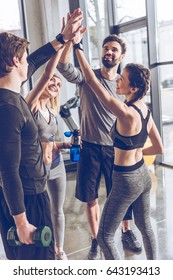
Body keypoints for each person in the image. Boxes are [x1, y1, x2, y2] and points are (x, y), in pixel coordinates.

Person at [0, 8, 83, 260]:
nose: (28, 62)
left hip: (29, 194)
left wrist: (62, 37)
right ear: (15, 62)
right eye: (23, 58)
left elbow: (35, 61)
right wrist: (22, 221)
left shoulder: (10, 93)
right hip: (27, 200)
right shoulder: (8, 108)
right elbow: (8, 170)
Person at [74, 32, 164, 259]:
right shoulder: (145, 110)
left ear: (132, 88)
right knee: (145, 227)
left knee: (104, 236)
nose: (117, 81)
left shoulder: (125, 113)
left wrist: (77, 46)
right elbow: (159, 147)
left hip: (125, 179)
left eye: (122, 79)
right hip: (142, 174)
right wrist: (135, 152)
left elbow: (93, 82)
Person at [57, 32, 142, 259]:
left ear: (121, 55)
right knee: (90, 197)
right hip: (90, 147)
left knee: (122, 194)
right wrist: (69, 41)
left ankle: (126, 230)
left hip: (118, 149)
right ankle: (96, 240)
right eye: (106, 48)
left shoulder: (124, 85)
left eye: (114, 49)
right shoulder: (86, 76)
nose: (109, 52)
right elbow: (63, 66)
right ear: (101, 52)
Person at [25, 49, 72, 260]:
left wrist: (66, 145)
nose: (56, 84)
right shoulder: (31, 105)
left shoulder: (53, 112)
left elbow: (50, 143)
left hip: (57, 166)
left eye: (59, 84)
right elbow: (45, 74)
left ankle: (59, 250)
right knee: (40, 214)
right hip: (38, 169)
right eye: (53, 81)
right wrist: (60, 47)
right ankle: (43, 251)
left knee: (58, 211)